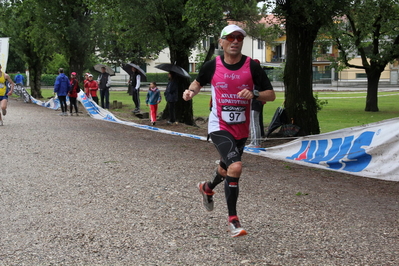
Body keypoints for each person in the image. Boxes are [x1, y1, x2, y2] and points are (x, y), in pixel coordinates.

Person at [183, 24, 276, 237]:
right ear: (222, 42)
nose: (235, 41)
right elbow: (198, 83)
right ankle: (233, 220)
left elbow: (270, 95)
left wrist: (254, 94)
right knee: (235, 166)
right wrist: (190, 92)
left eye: (239, 38)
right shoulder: (212, 65)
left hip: (241, 129)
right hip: (219, 125)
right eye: (231, 37)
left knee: (226, 169)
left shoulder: (252, 66)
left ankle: (207, 188)